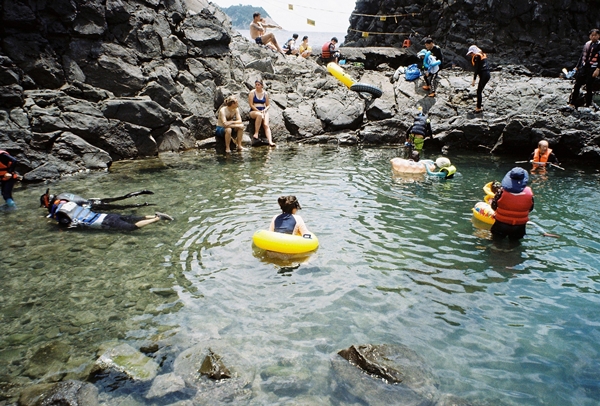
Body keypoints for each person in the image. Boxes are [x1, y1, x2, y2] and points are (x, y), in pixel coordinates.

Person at [40, 190, 173, 230]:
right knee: (131, 218)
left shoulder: (60, 214)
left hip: (104, 222)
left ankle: (157, 218)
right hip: (105, 215)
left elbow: (66, 225)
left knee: (131, 227)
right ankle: (154, 215)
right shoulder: (70, 204)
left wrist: (58, 227)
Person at [490, 167, 534, 241]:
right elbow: (530, 208)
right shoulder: (529, 193)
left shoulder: (501, 191)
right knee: (514, 243)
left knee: (496, 242)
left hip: (501, 224)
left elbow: (493, 206)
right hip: (519, 227)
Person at [568, 29, 600, 108]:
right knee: (577, 84)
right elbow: (582, 56)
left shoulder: (599, 45)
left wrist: (598, 69)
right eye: (592, 35)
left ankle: (588, 105)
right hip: (584, 67)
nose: (593, 37)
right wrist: (577, 67)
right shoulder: (587, 44)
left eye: (595, 35)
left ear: (598, 36)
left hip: (593, 68)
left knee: (589, 86)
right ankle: (572, 103)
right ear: (589, 36)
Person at [248, 80, 275, 147]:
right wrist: (258, 111)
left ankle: (270, 141)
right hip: (254, 111)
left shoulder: (265, 93)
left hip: (263, 110)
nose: (257, 86)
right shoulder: (252, 92)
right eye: (256, 85)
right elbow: (251, 104)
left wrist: (265, 110)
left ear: (262, 86)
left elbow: (268, 105)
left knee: (266, 125)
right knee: (259, 115)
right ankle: (256, 133)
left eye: (258, 85)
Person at [466, 45, 491, 113]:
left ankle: (478, 108)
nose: (471, 55)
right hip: (487, 74)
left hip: (484, 74)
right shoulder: (482, 54)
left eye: (471, 53)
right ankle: (479, 106)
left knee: (479, 91)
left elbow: (476, 69)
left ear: (474, 51)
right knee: (480, 90)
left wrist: (474, 80)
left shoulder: (476, 56)